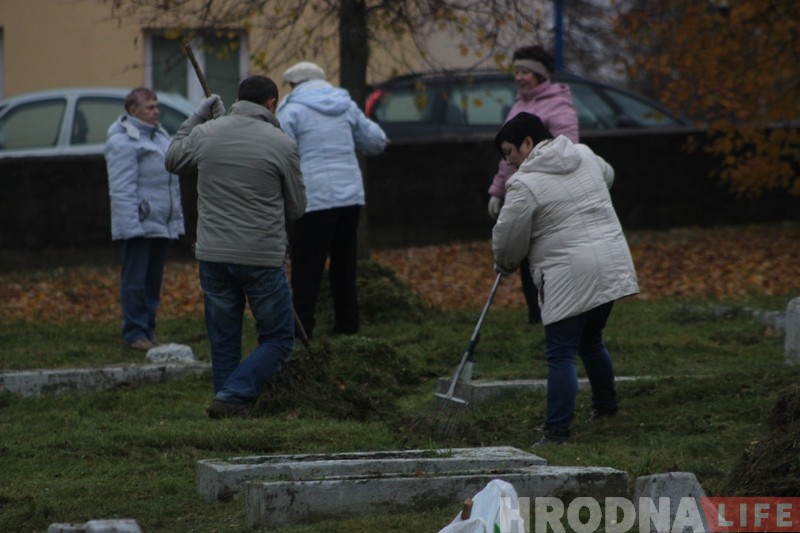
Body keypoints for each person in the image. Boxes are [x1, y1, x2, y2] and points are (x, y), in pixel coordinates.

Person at [491, 112, 639, 446]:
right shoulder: (583, 154)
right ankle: (606, 407)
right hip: (610, 264)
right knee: (591, 340)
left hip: (569, 273)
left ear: (528, 143)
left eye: (510, 152)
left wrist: (504, 263)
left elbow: (509, 235)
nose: (508, 162)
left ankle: (557, 433)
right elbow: (609, 175)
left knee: (560, 353)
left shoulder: (524, 184)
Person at [165, 75, 307, 419]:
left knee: (224, 338)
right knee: (278, 339)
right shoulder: (281, 143)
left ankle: (228, 400)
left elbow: (172, 159)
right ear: (272, 104)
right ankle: (234, 395)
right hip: (261, 256)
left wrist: (197, 118)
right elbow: (297, 208)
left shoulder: (206, 133)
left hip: (213, 255)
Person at [276, 61, 388, 339]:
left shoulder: (291, 109)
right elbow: (375, 141)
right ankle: (347, 324)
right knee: (344, 263)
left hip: (313, 199)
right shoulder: (344, 104)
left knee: (306, 267)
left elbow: (280, 151)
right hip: (350, 197)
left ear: (295, 84)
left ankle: (302, 329)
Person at [487, 45, 579, 325]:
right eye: (516, 71)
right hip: (520, 193)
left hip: (547, 195)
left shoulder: (559, 105)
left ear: (539, 75)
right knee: (525, 256)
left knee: (545, 254)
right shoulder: (517, 106)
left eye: (525, 71)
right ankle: (535, 315)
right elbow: (508, 155)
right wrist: (498, 189)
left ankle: (555, 312)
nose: (519, 77)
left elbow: (568, 151)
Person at [104, 87, 185, 350]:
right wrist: (131, 226)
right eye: (150, 107)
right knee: (135, 281)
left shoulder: (159, 136)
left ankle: (148, 329)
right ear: (133, 110)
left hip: (159, 222)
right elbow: (121, 188)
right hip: (138, 225)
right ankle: (134, 332)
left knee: (152, 282)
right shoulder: (122, 142)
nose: (156, 111)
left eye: (156, 106)